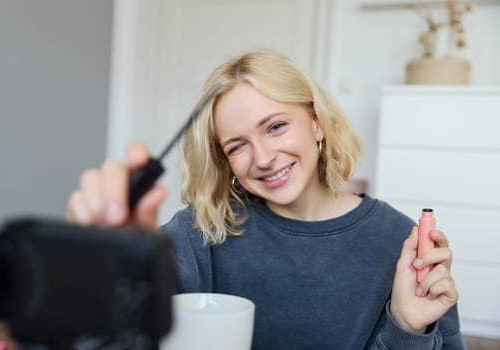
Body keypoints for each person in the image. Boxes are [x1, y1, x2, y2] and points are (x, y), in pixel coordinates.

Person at [66, 49, 465, 349]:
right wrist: (107, 269)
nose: (262, 158)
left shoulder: (403, 243)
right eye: (238, 145)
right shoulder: (198, 234)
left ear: (317, 122)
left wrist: (407, 328)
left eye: (275, 126)